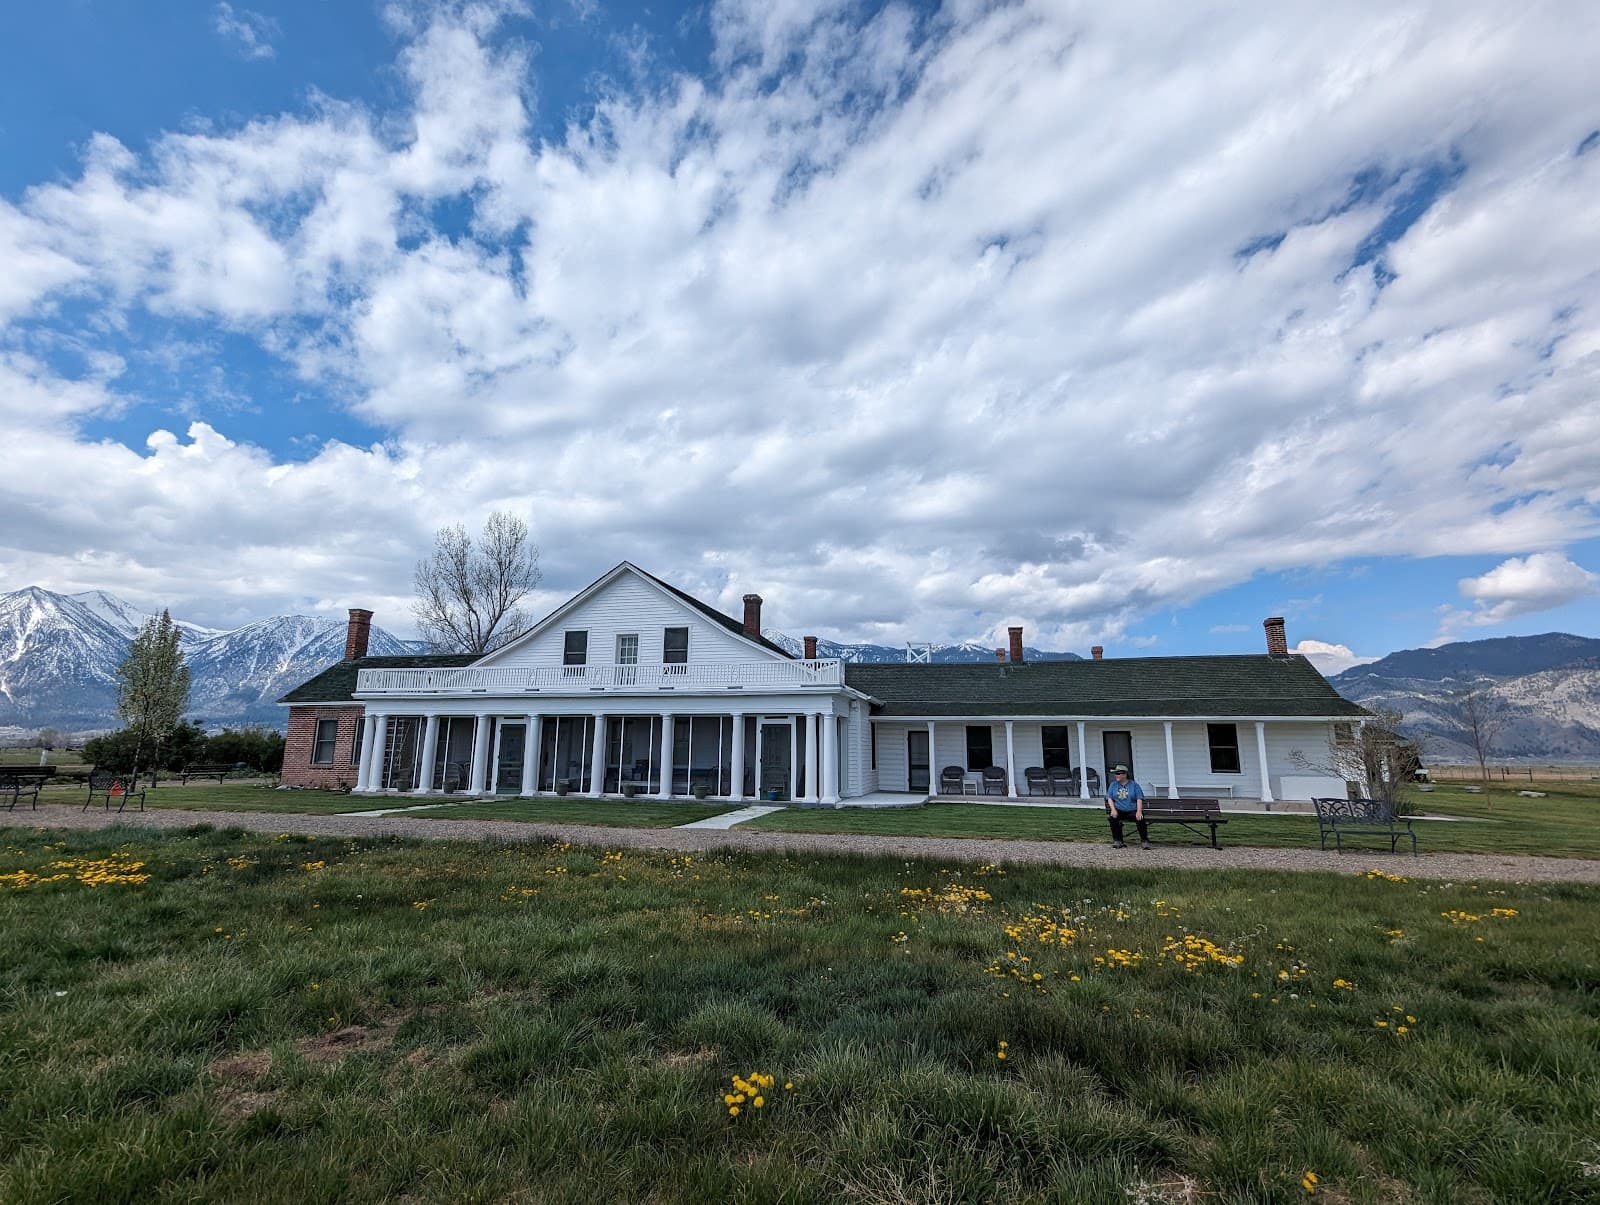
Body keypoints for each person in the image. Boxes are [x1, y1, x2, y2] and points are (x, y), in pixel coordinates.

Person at [1104, 764, 1150, 849]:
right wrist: (1113, 810)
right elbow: (1109, 798)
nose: (1116, 775)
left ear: (1124, 774)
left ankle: (1144, 841)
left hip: (1132, 810)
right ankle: (1117, 840)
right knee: (1113, 818)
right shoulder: (1113, 785)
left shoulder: (1134, 785)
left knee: (1140, 819)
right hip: (1119, 810)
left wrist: (1138, 811)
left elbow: (1139, 798)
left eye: (1118, 773)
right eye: (1115, 774)